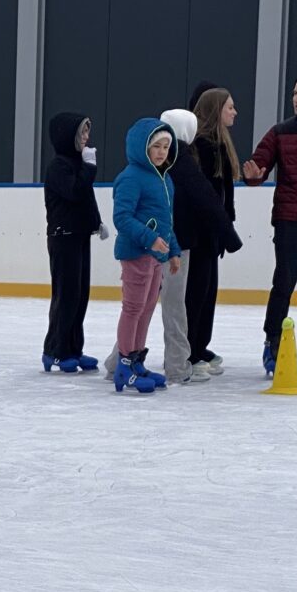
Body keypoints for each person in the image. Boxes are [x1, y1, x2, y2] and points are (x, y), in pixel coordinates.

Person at [243, 71, 297, 375]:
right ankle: (272, 341)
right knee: (284, 282)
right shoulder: (280, 132)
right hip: (289, 219)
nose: (296, 99)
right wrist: (253, 176)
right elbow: (259, 165)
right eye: (294, 94)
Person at [112, 119, 182, 393]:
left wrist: (173, 251)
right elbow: (122, 218)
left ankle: (137, 360)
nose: (162, 151)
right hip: (136, 254)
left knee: (148, 307)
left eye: (166, 146)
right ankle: (124, 365)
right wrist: (150, 238)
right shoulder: (130, 177)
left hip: (156, 257)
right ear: (143, 148)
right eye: (156, 146)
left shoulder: (164, 179)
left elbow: (167, 221)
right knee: (133, 308)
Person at [41, 112, 106, 373]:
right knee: (66, 297)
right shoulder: (58, 167)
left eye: (87, 132)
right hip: (63, 237)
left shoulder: (77, 163)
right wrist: (89, 168)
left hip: (79, 235)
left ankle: (74, 349)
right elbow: (75, 192)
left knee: (80, 296)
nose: (87, 138)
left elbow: (86, 198)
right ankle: (54, 351)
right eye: (82, 133)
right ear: (68, 137)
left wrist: (96, 222)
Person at [187, 89, 243, 377]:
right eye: (230, 107)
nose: (235, 112)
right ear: (215, 110)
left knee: (208, 291)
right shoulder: (202, 146)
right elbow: (205, 196)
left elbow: (225, 193)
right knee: (197, 291)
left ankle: (200, 344)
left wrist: (226, 222)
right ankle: (190, 350)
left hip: (214, 233)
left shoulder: (220, 144)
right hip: (201, 234)